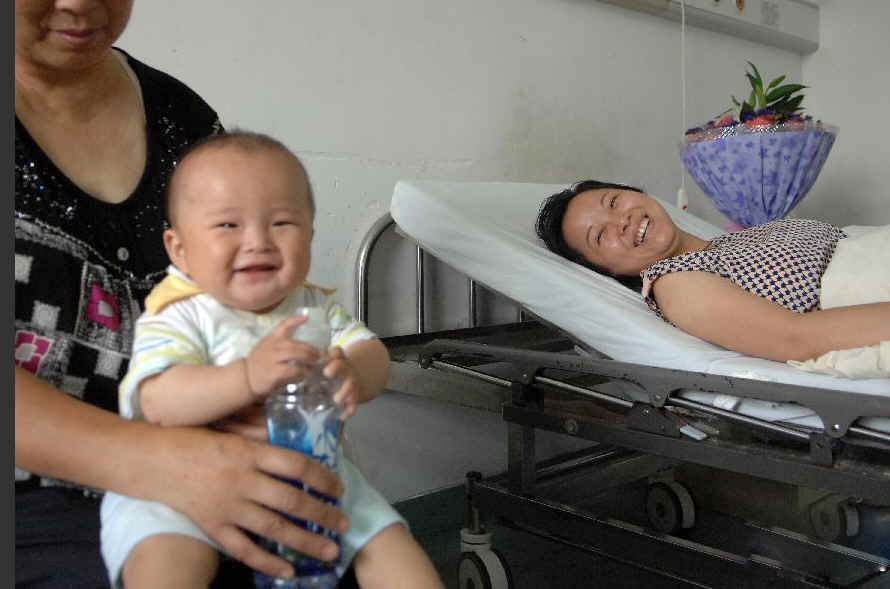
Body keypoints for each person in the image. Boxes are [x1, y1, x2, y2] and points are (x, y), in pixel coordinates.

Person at [14, 2, 349, 587]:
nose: (80, 3)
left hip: (211, 457)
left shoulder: (178, 117)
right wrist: (162, 462)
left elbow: (245, 307)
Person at [99, 131, 446, 589]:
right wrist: (245, 377)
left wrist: (353, 372)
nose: (258, 241)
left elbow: (372, 355)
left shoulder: (313, 308)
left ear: (310, 236)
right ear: (179, 249)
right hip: (185, 477)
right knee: (163, 555)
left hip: (311, 470)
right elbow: (158, 402)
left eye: (282, 223)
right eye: (228, 225)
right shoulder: (179, 313)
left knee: (390, 546)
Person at [535, 180, 890, 363]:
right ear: (606, 270)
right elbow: (796, 338)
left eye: (613, 201)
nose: (622, 221)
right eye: (600, 236)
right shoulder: (676, 283)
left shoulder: (726, 244)